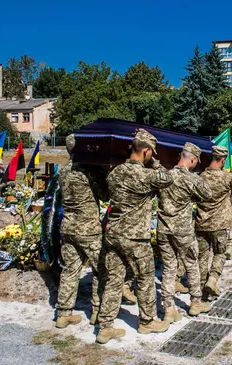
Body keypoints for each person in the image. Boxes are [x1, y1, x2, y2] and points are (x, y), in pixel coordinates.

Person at [96, 129, 173, 344]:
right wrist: (156, 164)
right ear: (146, 151)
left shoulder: (115, 173)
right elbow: (167, 178)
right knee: (145, 278)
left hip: (113, 234)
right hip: (135, 237)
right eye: (152, 152)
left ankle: (105, 326)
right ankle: (147, 321)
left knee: (113, 280)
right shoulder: (145, 175)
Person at [54, 135, 109, 329]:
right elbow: (105, 195)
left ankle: (63, 313)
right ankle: (97, 310)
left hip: (68, 227)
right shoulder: (88, 171)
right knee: (100, 269)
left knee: (70, 270)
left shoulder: (63, 171)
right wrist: (103, 170)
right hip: (88, 229)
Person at [157, 142, 213, 323]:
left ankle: (169, 308)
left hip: (164, 229)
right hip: (183, 230)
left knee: (168, 267)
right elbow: (207, 195)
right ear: (192, 159)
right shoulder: (192, 179)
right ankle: (196, 303)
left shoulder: (164, 175)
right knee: (191, 264)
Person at [195, 146, 232, 298]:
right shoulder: (227, 177)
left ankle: (201, 295)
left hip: (201, 224)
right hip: (220, 225)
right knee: (220, 253)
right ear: (223, 160)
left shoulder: (200, 177)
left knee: (202, 257)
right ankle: (212, 279)